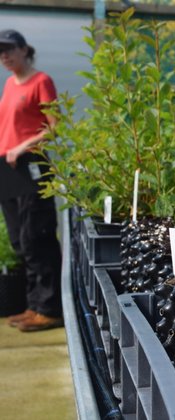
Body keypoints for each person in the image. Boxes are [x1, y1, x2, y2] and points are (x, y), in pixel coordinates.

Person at [0, 29, 63, 332]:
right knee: (19, 239)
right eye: (0, 51)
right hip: (9, 169)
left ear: (25, 50)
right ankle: (34, 304)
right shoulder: (11, 84)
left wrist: (23, 147)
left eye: (9, 49)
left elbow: (54, 128)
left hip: (31, 165)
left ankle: (49, 308)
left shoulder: (41, 81)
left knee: (36, 236)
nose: (4, 55)